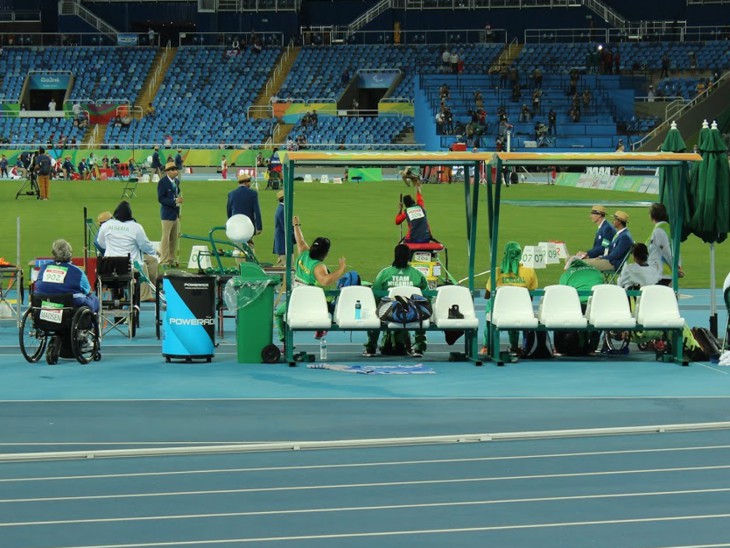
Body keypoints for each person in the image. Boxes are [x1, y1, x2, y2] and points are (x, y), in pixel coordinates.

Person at [274, 216, 347, 350]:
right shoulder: (319, 267)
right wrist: (341, 269)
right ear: (326, 253)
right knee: (329, 303)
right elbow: (325, 281)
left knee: (278, 313)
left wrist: (296, 225)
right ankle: (322, 326)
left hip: (295, 297)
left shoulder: (303, 253)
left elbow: (299, 239)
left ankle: (285, 342)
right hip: (307, 300)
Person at [364, 244, 429, 358]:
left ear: (395, 256)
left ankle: (371, 347)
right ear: (409, 257)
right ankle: (419, 348)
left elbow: (375, 294)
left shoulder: (384, 273)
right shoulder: (417, 274)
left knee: (375, 313)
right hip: (412, 313)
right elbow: (426, 296)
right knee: (422, 313)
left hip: (389, 312)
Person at [480, 241, 538, 356]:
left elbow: (487, 295)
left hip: (498, 309)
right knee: (516, 308)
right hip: (519, 308)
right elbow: (530, 296)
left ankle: (486, 346)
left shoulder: (497, 271)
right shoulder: (529, 271)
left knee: (490, 310)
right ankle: (515, 347)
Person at [97, 201, 159, 302]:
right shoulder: (136, 227)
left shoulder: (106, 225)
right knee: (142, 265)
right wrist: (154, 251)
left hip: (110, 266)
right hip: (130, 267)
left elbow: (101, 243)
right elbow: (144, 245)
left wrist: (111, 247)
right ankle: (144, 296)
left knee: (142, 263)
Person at [35, 239, 99, 313]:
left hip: (44, 304)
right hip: (70, 308)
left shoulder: (43, 268)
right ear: (70, 254)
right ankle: (95, 324)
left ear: (53, 254)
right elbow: (88, 292)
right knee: (94, 299)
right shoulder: (78, 272)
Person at [647, 202, 683, 285]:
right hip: (662, 272)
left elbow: (666, 252)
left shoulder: (659, 231)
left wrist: (675, 268)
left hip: (661, 273)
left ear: (652, 215)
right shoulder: (666, 228)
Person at [157, 161, 182, 268]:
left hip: (175, 213)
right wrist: (174, 201)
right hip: (167, 214)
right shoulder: (162, 182)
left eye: (176, 169)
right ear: (168, 172)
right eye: (173, 170)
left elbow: (176, 193)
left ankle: (171, 259)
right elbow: (161, 198)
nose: (176, 171)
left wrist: (178, 201)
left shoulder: (176, 181)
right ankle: (163, 260)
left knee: (173, 238)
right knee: (165, 238)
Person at [226, 172, 263, 246]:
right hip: (248, 225)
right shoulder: (253, 193)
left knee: (238, 248)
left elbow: (228, 211)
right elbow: (257, 211)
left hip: (236, 225)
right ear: (246, 182)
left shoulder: (231, 194)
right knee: (249, 248)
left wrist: (231, 224)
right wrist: (259, 227)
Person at [273, 190, 286, 266]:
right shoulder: (282, 210)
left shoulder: (281, 209)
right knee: (287, 267)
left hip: (281, 243)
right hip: (283, 244)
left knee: (281, 266)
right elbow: (286, 228)